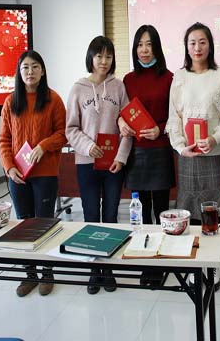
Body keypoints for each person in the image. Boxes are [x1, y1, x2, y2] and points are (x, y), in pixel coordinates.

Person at [167, 22, 220, 288]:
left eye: (202, 42)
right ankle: (194, 265)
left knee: (214, 213)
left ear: (210, 45)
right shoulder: (179, 77)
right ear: (186, 47)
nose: (197, 47)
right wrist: (179, 146)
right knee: (190, 213)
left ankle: (213, 267)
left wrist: (214, 138)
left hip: (213, 155)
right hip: (188, 156)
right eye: (192, 43)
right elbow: (174, 116)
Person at [66, 35, 131, 295]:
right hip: (86, 163)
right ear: (91, 58)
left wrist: (121, 157)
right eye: (99, 56)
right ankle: (95, 270)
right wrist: (86, 146)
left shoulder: (119, 87)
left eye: (108, 56)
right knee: (91, 215)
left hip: (113, 163)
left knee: (111, 216)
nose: (104, 61)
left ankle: (109, 268)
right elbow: (71, 129)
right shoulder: (78, 88)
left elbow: (128, 126)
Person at [0, 50, 67, 298]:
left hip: (45, 173)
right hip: (18, 175)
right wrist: (9, 167)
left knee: (44, 224)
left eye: (35, 66)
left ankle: (47, 272)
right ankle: (29, 274)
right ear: (19, 72)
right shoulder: (10, 102)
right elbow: (4, 140)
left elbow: (63, 134)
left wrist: (43, 146)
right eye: (25, 67)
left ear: (43, 71)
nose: (30, 72)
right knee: (23, 225)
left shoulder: (53, 99)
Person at [119, 25, 175, 286]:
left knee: (161, 209)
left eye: (149, 44)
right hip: (137, 153)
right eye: (140, 44)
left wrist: (160, 129)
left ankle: (162, 258)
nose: (144, 50)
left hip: (160, 149)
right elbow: (122, 112)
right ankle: (146, 259)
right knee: (141, 211)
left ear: (157, 48)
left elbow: (176, 116)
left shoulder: (169, 78)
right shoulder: (128, 80)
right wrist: (121, 122)